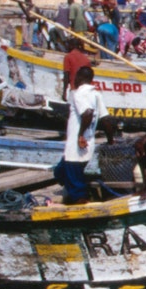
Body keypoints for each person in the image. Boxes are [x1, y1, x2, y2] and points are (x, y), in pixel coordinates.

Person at [57, 65, 104, 205]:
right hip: (87, 145)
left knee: (72, 175)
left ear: (79, 78)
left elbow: (87, 113)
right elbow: (106, 118)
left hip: (76, 146)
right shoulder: (96, 94)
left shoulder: (78, 93)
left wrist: (80, 135)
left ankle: (80, 200)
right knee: (60, 171)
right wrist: (111, 139)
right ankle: (76, 193)